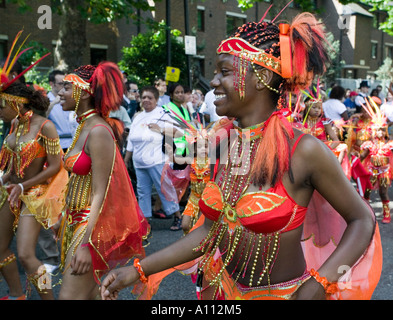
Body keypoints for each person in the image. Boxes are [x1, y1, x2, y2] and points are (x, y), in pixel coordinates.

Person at [101, 12, 381, 301]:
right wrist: (137, 270)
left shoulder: (303, 150)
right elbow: (209, 232)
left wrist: (319, 284)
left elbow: (362, 219)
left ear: (263, 77)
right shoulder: (222, 143)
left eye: (225, 71)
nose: (213, 82)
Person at [56, 62, 149, 300]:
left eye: (67, 87)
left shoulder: (98, 130)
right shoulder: (83, 126)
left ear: (85, 92)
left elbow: (101, 191)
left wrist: (87, 244)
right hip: (75, 221)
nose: (59, 92)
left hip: (91, 227)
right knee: (94, 295)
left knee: (70, 296)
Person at [0, 82, 68, 300]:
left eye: (1, 106)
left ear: (17, 104)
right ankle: (16, 295)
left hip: (34, 196)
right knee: (0, 249)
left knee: (27, 255)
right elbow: (14, 164)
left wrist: (22, 185)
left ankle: (48, 298)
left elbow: (56, 166)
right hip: (12, 194)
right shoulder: (13, 125)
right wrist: (8, 178)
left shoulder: (45, 126)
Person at [124, 86, 183, 231]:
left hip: (157, 160)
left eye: (150, 97)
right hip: (139, 162)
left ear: (156, 100)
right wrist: (126, 160)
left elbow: (180, 133)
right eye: (143, 97)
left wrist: (160, 129)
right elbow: (131, 140)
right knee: (142, 192)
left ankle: (178, 217)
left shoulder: (163, 114)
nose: (146, 100)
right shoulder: (138, 116)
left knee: (165, 189)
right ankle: (145, 220)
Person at [360, 98, 393, 223]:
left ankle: (386, 214)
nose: (379, 132)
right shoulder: (369, 144)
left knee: (383, 193)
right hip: (371, 171)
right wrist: (353, 162)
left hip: (385, 171)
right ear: (373, 131)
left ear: (384, 131)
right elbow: (362, 156)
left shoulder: (390, 144)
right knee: (367, 192)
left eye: (381, 129)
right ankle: (366, 213)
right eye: (377, 129)